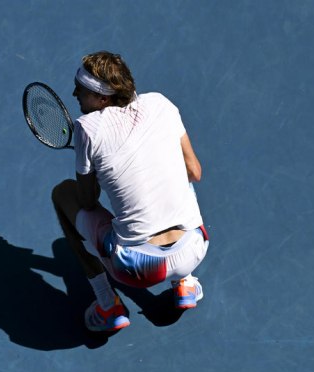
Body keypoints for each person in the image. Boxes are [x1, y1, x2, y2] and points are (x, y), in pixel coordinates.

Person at [52, 51, 209, 332]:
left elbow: (87, 201)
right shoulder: (161, 103)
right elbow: (195, 171)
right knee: (179, 177)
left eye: (81, 89)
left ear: (102, 98)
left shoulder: (87, 128)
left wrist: (95, 170)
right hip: (194, 248)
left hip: (138, 269)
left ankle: (108, 305)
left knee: (63, 194)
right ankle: (185, 283)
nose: (75, 93)